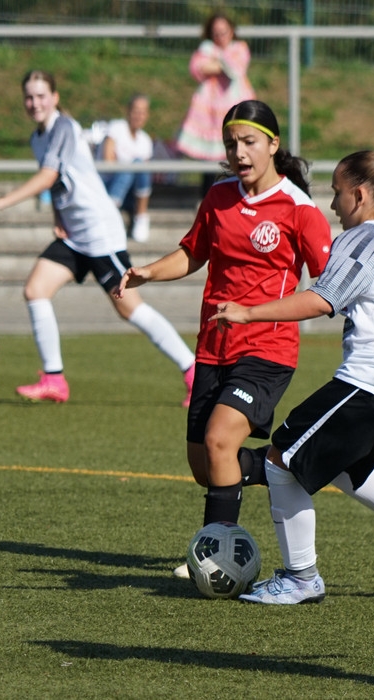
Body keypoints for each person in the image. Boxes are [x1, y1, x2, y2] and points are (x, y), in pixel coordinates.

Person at [209, 149, 374, 604]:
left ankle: (300, 578)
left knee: (281, 460)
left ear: (358, 196)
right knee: (339, 458)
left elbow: (322, 299)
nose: (332, 204)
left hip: (372, 382)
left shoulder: (360, 240)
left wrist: (248, 313)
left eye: (336, 193)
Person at [115, 100, 333, 578]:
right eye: (231, 143)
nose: (239, 152)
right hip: (213, 349)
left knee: (219, 441)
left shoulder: (298, 208)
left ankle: (215, 556)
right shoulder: (218, 197)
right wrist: (149, 272)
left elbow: (330, 281)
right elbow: (192, 253)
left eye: (249, 142)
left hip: (268, 350)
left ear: (273, 145)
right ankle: (281, 465)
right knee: (206, 465)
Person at [0, 70, 195, 405]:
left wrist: (1, 202)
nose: (34, 103)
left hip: (101, 235)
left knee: (130, 309)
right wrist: (58, 217)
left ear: (55, 97)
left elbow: (47, 176)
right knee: (36, 290)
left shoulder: (63, 127)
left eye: (41, 96)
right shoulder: (38, 137)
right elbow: (60, 182)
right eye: (29, 97)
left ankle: (193, 371)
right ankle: (54, 379)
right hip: (75, 236)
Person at [175, 13, 256, 195]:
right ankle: (208, 199)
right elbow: (197, 68)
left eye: (223, 32)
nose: (220, 37)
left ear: (231, 31)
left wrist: (215, 63)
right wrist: (219, 64)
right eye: (216, 33)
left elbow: (235, 69)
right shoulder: (205, 49)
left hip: (235, 110)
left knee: (238, 154)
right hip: (209, 114)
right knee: (209, 162)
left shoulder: (239, 48)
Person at [100, 93, 154, 243]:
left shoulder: (145, 140)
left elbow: (144, 177)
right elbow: (108, 163)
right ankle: (132, 215)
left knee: (136, 166)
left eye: (143, 112)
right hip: (108, 185)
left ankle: (140, 215)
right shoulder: (116, 128)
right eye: (136, 111)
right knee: (132, 166)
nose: (139, 116)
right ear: (128, 111)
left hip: (130, 192)